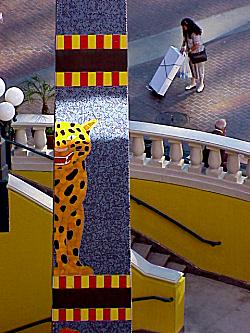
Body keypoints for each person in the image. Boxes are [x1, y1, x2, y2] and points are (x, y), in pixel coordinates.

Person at [180, 18, 205, 93]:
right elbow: (185, 40)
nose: (183, 28)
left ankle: (201, 84)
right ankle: (193, 83)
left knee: (200, 68)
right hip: (191, 54)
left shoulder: (195, 33)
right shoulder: (186, 32)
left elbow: (197, 45)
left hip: (198, 54)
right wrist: (183, 46)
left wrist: (189, 50)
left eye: (184, 26)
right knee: (192, 67)